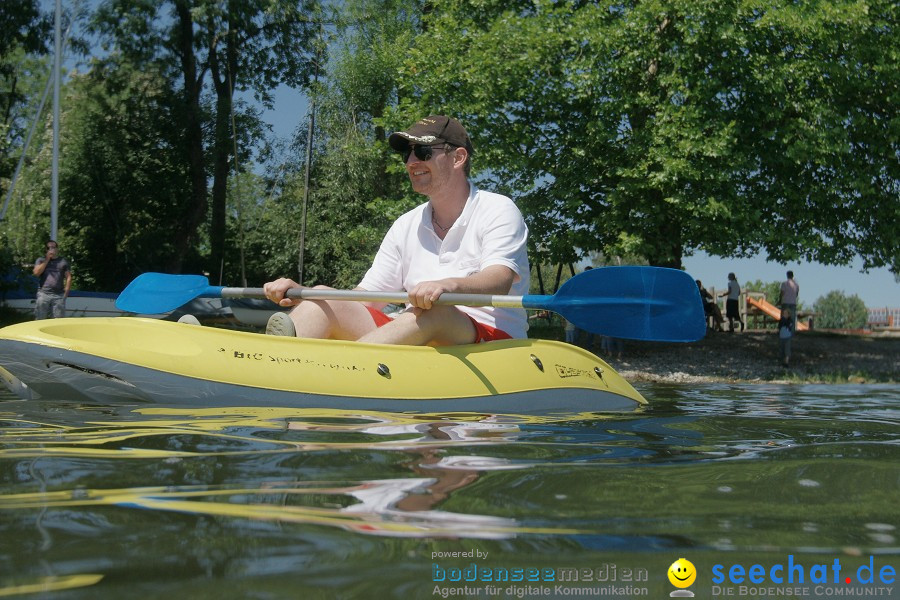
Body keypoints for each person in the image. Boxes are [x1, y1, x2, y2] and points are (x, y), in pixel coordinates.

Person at [262, 115, 530, 346]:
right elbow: (367, 298)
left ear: (458, 157)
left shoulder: (498, 209)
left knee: (437, 310)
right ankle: (273, 365)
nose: (411, 161)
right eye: (407, 153)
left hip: (490, 341)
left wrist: (448, 285)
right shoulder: (405, 224)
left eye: (423, 152)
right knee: (323, 298)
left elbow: (499, 279)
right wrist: (305, 295)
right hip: (416, 330)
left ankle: (344, 369)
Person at [32, 239, 72, 320]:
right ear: (46, 250)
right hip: (43, 294)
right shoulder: (41, 260)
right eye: (49, 248)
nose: (51, 249)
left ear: (57, 249)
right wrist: (47, 259)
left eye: (53, 247)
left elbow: (69, 277)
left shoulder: (63, 261)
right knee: (40, 319)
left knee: (58, 321)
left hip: (58, 295)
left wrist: (66, 293)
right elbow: (36, 273)